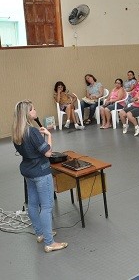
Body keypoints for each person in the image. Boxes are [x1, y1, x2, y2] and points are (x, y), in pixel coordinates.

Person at [12, 100, 68, 252]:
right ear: (27, 114)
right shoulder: (32, 131)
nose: (35, 111)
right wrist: (49, 135)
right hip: (41, 171)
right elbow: (48, 153)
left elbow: (31, 150)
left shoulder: (16, 131)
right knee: (47, 206)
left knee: (32, 203)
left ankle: (40, 233)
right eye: (33, 109)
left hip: (28, 170)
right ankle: (49, 242)